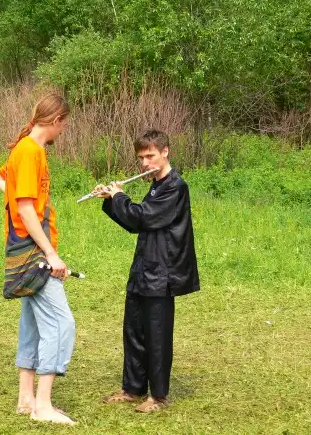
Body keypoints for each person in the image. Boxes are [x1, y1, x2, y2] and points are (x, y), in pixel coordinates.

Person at [95, 128, 200, 413]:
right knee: (134, 330)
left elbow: (145, 217)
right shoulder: (155, 185)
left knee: (157, 335)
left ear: (165, 152)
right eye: (141, 158)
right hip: (144, 268)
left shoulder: (176, 187)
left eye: (150, 156)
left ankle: (159, 396)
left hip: (163, 273)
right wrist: (110, 199)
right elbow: (134, 223)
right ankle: (133, 388)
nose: (145, 163)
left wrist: (120, 196)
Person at [0, 93, 76, 425]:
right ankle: (43, 406)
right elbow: (26, 208)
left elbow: (1, 179)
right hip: (33, 250)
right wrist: (51, 254)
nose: (64, 131)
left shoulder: (29, 149)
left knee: (32, 322)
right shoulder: (29, 151)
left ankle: (26, 399)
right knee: (61, 323)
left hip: (30, 247)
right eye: (64, 125)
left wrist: (15, 197)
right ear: (56, 121)